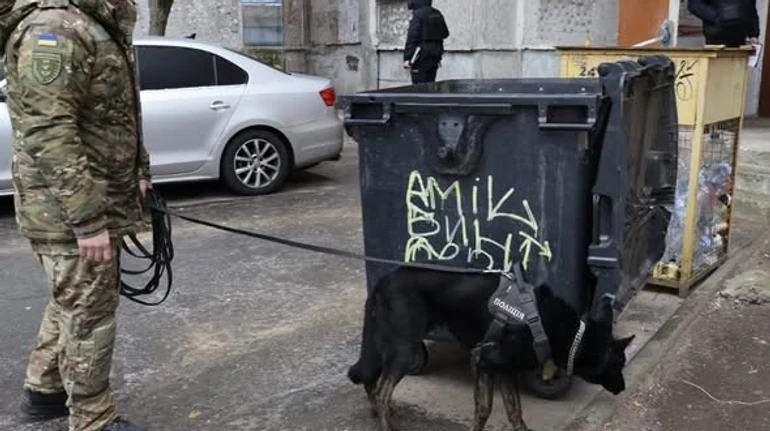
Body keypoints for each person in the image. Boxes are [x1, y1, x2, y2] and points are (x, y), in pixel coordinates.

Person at [0, 0, 151, 430]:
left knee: (73, 300)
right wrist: (87, 220)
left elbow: (116, 114)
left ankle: (44, 391)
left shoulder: (97, 21)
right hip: (67, 211)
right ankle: (92, 418)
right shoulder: (54, 27)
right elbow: (48, 130)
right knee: (90, 313)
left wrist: (140, 171)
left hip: (92, 199)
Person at [403, 0, 450, 84]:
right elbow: (445, 33)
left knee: (419, 87)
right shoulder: (437, 13)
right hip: (435, 55)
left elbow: (412, 38)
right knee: (430, 85)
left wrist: (407, 58)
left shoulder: (418, 15)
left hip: (420, 57)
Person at [688, 0, 760, 47]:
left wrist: (753, 33)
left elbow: (751, 7)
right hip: (717, 36)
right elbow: (695, 5)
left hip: (740, 36)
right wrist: (717, 17)